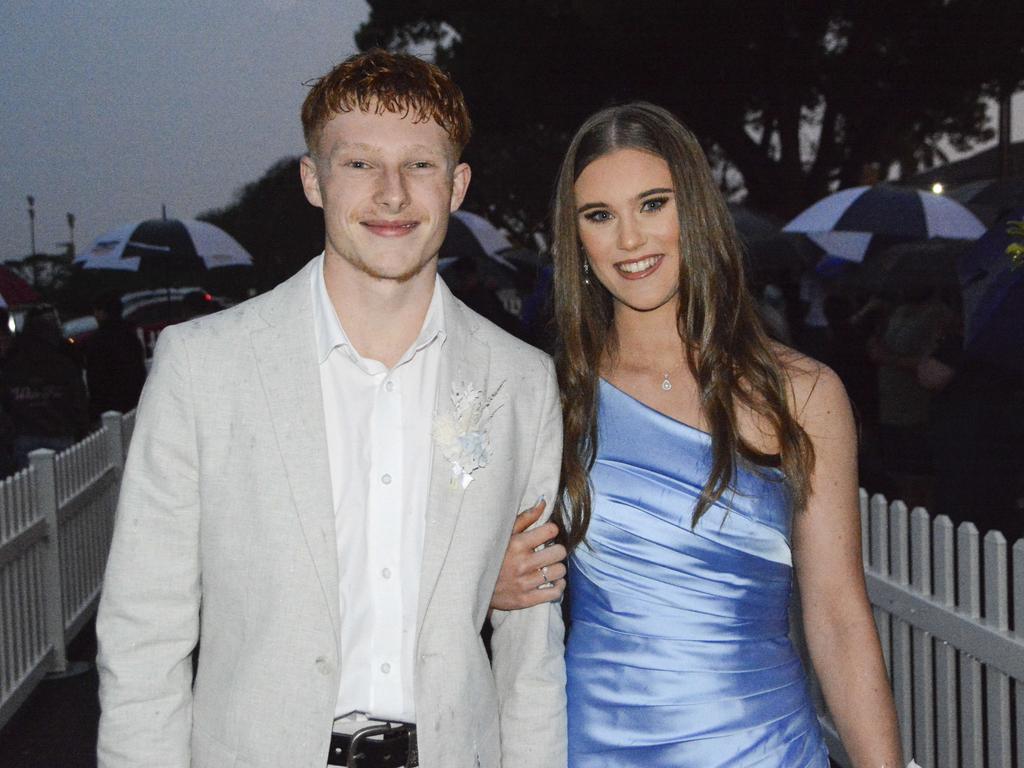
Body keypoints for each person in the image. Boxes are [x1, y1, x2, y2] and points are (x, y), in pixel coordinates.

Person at [96, 49, 566, 768]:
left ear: (457, 184)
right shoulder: (203, 368)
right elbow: (143, 637)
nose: (392, 194)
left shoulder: (522, 384)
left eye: (420, 165)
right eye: (358, 165)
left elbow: (530, 654)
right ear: (314, 180)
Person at [495, 102, 900, 767]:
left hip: (768, 749)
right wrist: (490, 580)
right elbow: (453, 561)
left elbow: (838, 617)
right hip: (595, 749)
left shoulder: (801, 393)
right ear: (578, 243)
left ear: (697, 212)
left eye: (653, 204)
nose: (630, 240)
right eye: (600, 216)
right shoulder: (547, 396)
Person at [1, 305, 88, 468]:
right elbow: (78, 398)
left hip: (25, 434)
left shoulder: (13, 362)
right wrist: (80, 428)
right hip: (59, 432)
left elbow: (6, 401)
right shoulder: (63, 361)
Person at [82, 291, 147, 423]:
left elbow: (95, 377)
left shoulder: (97, 340)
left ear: (103, 312)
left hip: (107, 404)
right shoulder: (130, 335)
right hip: (133, 400)